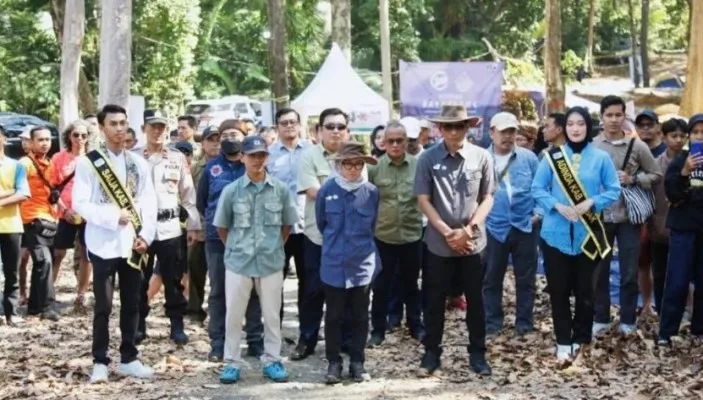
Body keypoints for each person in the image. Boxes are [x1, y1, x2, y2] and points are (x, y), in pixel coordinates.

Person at [72, 104, 158, 382]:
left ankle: (129, 358)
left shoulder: (138, 163)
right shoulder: (89, 162)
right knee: (103, 305)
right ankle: (99, 361)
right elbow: (80, 203)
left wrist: (146, 234)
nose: (119, 129)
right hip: (102, 243)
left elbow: (149, 202)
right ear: (101, 127)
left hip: (133, 243)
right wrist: (112, 216)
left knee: (133, 302)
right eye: (113, 124)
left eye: (123, 123)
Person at [531, 106, 621, 360]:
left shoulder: (601, 158)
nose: (575, 128)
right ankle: (562, 341)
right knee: (558, 290)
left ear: (588, 126)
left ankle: (581, 338)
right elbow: (537, 189)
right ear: (564, 128)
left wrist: (591, 202)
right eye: (570, 124)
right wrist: (556, 205)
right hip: (554, 234)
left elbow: (614, 190)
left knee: (586, 291)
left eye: (580, 123)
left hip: (588, 235)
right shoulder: (552, 157)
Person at [414, 105, 494, 376]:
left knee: (476, 301)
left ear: (467, 127)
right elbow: (423, 199)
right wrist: (447, 232)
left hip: (473, 243)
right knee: (434, 301)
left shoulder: (482, 157)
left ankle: (478, 354)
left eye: (459, 125)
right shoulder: (427, 158)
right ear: (439, 129)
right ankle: (431, 353)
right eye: (448, 126)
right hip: (438, 243)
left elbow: (488, 198)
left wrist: (468, 230)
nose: (453, 131)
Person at [214, 135, 297, 384]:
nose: (257, 160)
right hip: (238, 262)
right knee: (234, 316)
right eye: (252, 155)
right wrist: (236, 248)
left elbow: (287, 226)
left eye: (261, 155)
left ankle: (272, 360)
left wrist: (272, 247)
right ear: (243, 158)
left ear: (267, 157)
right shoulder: (231, 191)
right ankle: (231, 362)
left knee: (272, 315)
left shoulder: (280, 190)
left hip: (271, 261)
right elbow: (222, 227)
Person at [592, 95, 662, 335]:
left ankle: (627, 320)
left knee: (630, 271)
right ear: (601, 117)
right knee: (599, 270)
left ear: (624, 117)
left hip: (629, 218)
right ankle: (600, 317)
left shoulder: (638, 145)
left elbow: (656, 174)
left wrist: (633, 179)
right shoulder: (593, 146)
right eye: (609, 115)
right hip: (601, 217)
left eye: (618, 115)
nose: (613, 120)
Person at [197, 121, 263, 361]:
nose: (228, 138)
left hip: (250, 240)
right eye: (223, 135)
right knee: (218, 293)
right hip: (218, 241)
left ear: (244, 137)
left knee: (253, 292)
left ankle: (255, 341)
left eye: (234, 134)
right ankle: (219, 344)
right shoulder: (211, 168)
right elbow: (202, 202)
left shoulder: (255, 166)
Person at [134, 109, 200, 346]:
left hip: (170, 227)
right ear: (144, 129)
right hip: (141, 229)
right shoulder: (132, 158)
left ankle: (177, 325)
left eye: (161, 126)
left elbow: (188, 193)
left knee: (173, 279)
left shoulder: (176, 157)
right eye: (152, 126)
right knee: (139, 279)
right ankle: (138, 325)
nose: (157, 131)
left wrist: (193, 225)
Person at [316, 141, 379, 383]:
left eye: (357, 164)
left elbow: (372, 227)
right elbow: (322, 224)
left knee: (361, 316)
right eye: (348, 164)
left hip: (362, 264)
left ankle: (357, 362)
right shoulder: (327, 190)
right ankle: (334, 363)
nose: (353, 169)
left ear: (363, 166)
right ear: (339, 165)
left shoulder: (371, 192)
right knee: (333, 316)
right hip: (333, 263)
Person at [293, 108, 353, 361]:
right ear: (319, 131)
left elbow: (362, 191)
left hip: (349, 238)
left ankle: (345, 341)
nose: (336, 131)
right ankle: (307, 340)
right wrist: (343, 193)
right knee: (313, 290)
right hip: (317, 237)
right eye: (330, 126)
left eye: (340, 126)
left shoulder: (356, 155)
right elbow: (312, 191)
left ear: (347, 131)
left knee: (346, 291)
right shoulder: (309, 156)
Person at [367, 121, 425, 348]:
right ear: (384, 142)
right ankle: (378, 330)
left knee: (411, 284)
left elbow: (426, 198)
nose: (395, 145)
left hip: (412, 235)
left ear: (406, 141)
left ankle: (415, 326)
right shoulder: (374, 168)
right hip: (383, 236)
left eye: (399, 140)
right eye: (390, 140)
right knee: (381, 286)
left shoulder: (419, 167)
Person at [483, 112, 540, 337]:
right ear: (491, 132)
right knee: (491, 277)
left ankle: (524, 323)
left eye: (512, 131)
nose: (507, 136)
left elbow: (541, 188)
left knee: (526, 279)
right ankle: (492, 323)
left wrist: (539, 214)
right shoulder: (480, 158)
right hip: (493, 226)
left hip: (525, 225)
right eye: (503, 131)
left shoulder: (529, 158)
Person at [658, 114, 703, 345]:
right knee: (677, 280)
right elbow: (672, 193)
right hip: (683, 229)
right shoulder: (681, 160)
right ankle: (666, 333)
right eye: (695, 132)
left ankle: (699, 331)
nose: (699, 137)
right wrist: (685, 172)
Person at [266, 108, 310, 320]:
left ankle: (307, 333)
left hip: (308, 226)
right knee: (275, 282)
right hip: (277, 229)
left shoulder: (312, 151)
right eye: (284, 123)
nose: (289, 125)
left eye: (293, 121)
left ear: (299, 125)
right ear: (277, 127)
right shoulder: (268, 155)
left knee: (309, 281)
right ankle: (274, 331)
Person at [50, 119, 95, 309]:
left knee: (87, 254)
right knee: (58, 253)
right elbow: (52, 189)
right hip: (65, 212)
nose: (80, 139)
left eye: (84, 135)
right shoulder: (59, 158)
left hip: (88, 215)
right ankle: (48, 291)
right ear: (69, 136)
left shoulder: (94, 159)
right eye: (76, 135)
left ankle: (81, 294)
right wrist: (64, 209)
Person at [19, 126, 60, 321]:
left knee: (42, 265)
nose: (45, 143)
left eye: (48, 139)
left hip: (50, 219)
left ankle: (34, 307)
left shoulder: (50, 164)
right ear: (31, 142)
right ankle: (48, 306)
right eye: (40, 140)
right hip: (31, 219)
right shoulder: (25, 163)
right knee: (44, 262)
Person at [650, 118, 687, 315]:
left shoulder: (692, 161)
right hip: (659, 226)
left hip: (685, 226)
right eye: (674, 136)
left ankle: (682, 311)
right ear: (663, 137)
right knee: (660, 272)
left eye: (682, 136)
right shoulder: (655, 164)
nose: (678, 140)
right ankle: (660, 308)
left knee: (683, 273)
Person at [186, 126, 220, 322]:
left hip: (222, 228)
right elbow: (188, 197)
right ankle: (194, 311)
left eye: (218, 139)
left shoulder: (230, 164)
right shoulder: (194, 167)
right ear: (203, 143)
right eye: (211, 139)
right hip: (198, 227)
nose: (215, 143)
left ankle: (219, 312)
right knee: (195, 269)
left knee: (220, 273)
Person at [634, 109, 665, 315]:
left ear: (658, 127)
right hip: (641, 214)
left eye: (649, 125)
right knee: (642, 261)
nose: (646, 128)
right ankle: (646, 303)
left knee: (669, 264)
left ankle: (686, 305)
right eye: (641, 125)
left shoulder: (668, 150)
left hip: (665, 214)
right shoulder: (635, 151)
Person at [0, 126, 31, 326]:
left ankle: (11, 312)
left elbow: (23, 193)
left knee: (12, 270)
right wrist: (8, 192)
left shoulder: (16, 166)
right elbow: (15, 192)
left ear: (4, 139)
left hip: (11, 225)